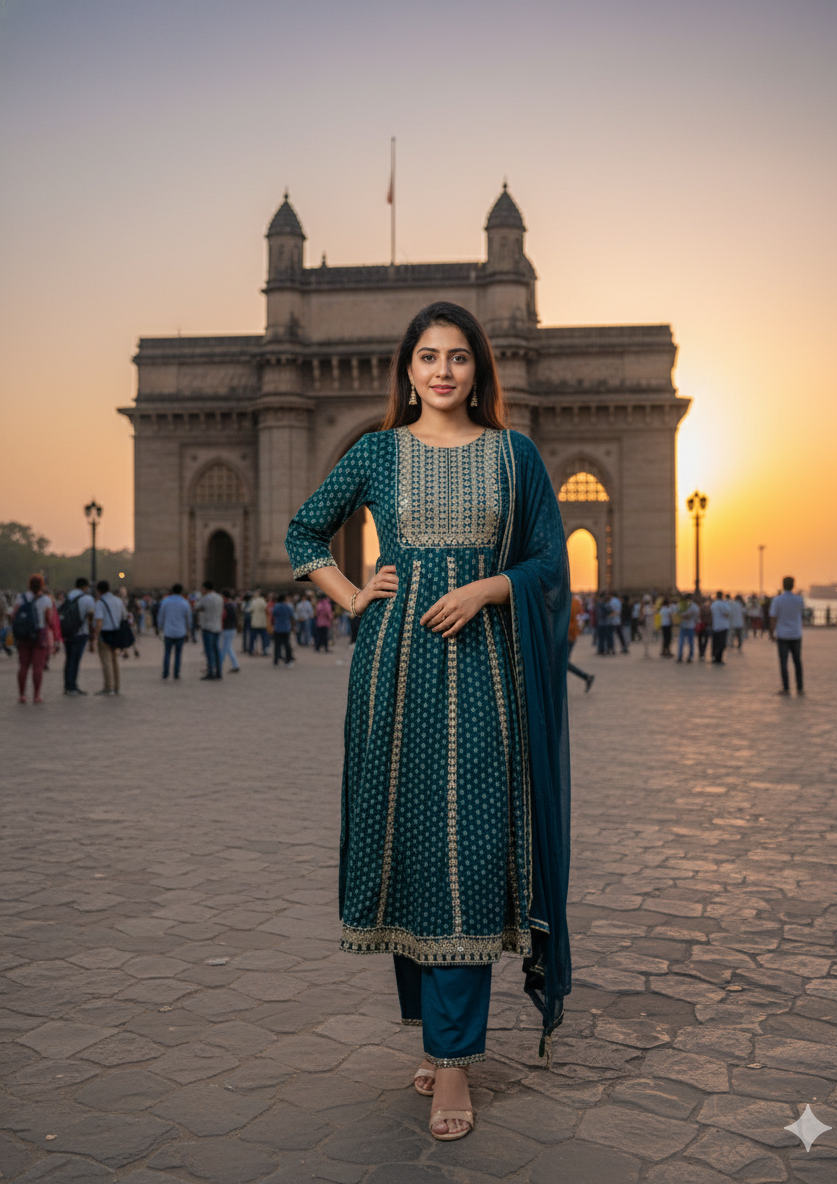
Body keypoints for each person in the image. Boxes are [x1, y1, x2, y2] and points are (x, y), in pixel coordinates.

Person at [285, 301, 570, 1142]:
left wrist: (488, 587)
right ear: (407, 372)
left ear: (479, 370)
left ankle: (452, 1062)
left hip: (485, 675)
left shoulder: (514, 455)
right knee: (413, 848)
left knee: (469, 853)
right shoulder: (376, 452)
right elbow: (305, 531)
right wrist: (351, 595)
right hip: (395, 675)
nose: (443, 371)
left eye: (458, 357)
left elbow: (550, 560)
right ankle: (443, 1037)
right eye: (428, 357)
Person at [13, 574, 55, 703]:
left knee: (23, 666)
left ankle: (22, 695)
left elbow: (14, 615)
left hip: (24, 635)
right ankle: (36, 695)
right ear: (42, 585)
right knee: (38, 667)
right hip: (39, 634)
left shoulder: (21, 598)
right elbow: (49, 620)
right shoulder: (46, 600)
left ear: (29, 585)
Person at [769, 576, 805, 695]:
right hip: (796, 633)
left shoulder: (777, 600)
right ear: (793, 585)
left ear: (783, 585)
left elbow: (773, 617)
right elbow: (801, 613)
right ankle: (800, 687)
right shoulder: (799, 600)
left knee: (783, 662)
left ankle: (786, 688)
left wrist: (772, 632)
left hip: (783, 634)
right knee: (797, 661)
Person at [60, 577, 95, 695]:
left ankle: (67, 684)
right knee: (75, 660)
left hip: (67, 631)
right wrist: (92, 635)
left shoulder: (68, 596)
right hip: (80, 632)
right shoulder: (87, 598)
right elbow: (91, 617)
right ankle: (72, 686)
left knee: (69, 658)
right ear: (84, 587)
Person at [93, 581, 126, 695]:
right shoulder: (118, 600)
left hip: (105, 634)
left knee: (107, 662)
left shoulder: (100, 603)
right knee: (115, 661)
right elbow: (124, 616)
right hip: (116, 633)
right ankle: (117, 686)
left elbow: (99, 621)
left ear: (98, 591)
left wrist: (95, 636)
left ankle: (109, 687)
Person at [158, 584, 193, 679]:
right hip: (180, 632)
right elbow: (188, 618)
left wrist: (159, 628)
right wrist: (189, 629)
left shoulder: (165, 602)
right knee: (178, 654)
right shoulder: (185, 603)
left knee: (167, 653)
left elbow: (161, 616)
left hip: (168, 631)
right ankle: (176, 673)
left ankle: (165, 673)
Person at [567, 593, 594, 691]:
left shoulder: (569, 603)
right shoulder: (575, 602)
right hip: (572, 633)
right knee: (563, 663)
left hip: (568, 634)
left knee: (563, 663)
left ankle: (586, 677)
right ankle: (586, 677)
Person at [197, 580, 224, 680]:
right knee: (217, 650)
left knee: (209, 651)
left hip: (208, 627)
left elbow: (197, 607)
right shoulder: (219, 597)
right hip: (217, 626)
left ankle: (210, 672)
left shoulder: (205, 598)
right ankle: (219, 671)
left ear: (205, 589)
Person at [220, 590, 241, 674]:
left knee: (226, 647)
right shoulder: (234, 605)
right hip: (232, 628)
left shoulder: (225, 606)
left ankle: (220, 665)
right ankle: (234, 664)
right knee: (227, 647)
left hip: (226, 628)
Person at [272, 592, 295, 666]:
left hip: (278, 628)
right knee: (286, 644)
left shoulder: (276, 606)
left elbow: (273, 614)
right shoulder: (287, 607)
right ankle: (288, 659)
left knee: (277, 645)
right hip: (286, 628)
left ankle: (276, 660)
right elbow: (292, 615)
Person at [710, 591, 731, 665]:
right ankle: (719, 658)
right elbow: (728, 612)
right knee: (722, 644)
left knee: (715, 644)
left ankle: (715, 657)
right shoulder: (724, 604)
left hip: (715, 626)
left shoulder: (713, 604)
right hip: (723, 626)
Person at [676, 594, 698, 663]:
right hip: (690, 626)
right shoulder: (694, 606)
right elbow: (696, 615)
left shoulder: (681, 605)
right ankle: (690, 656)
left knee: (681, 642)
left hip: (684, 625)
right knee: (690, 642)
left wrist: (683, 616)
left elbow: (677, 614)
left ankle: (680, 656)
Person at [247, 590, 269, 655]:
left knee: (253, 638)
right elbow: (266, 610)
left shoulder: (253, 601)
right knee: (264, 638)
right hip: (262, 622)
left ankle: (251, 650)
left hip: (255, 622)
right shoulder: (263, 602)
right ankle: (264, 650)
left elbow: (250, 610)